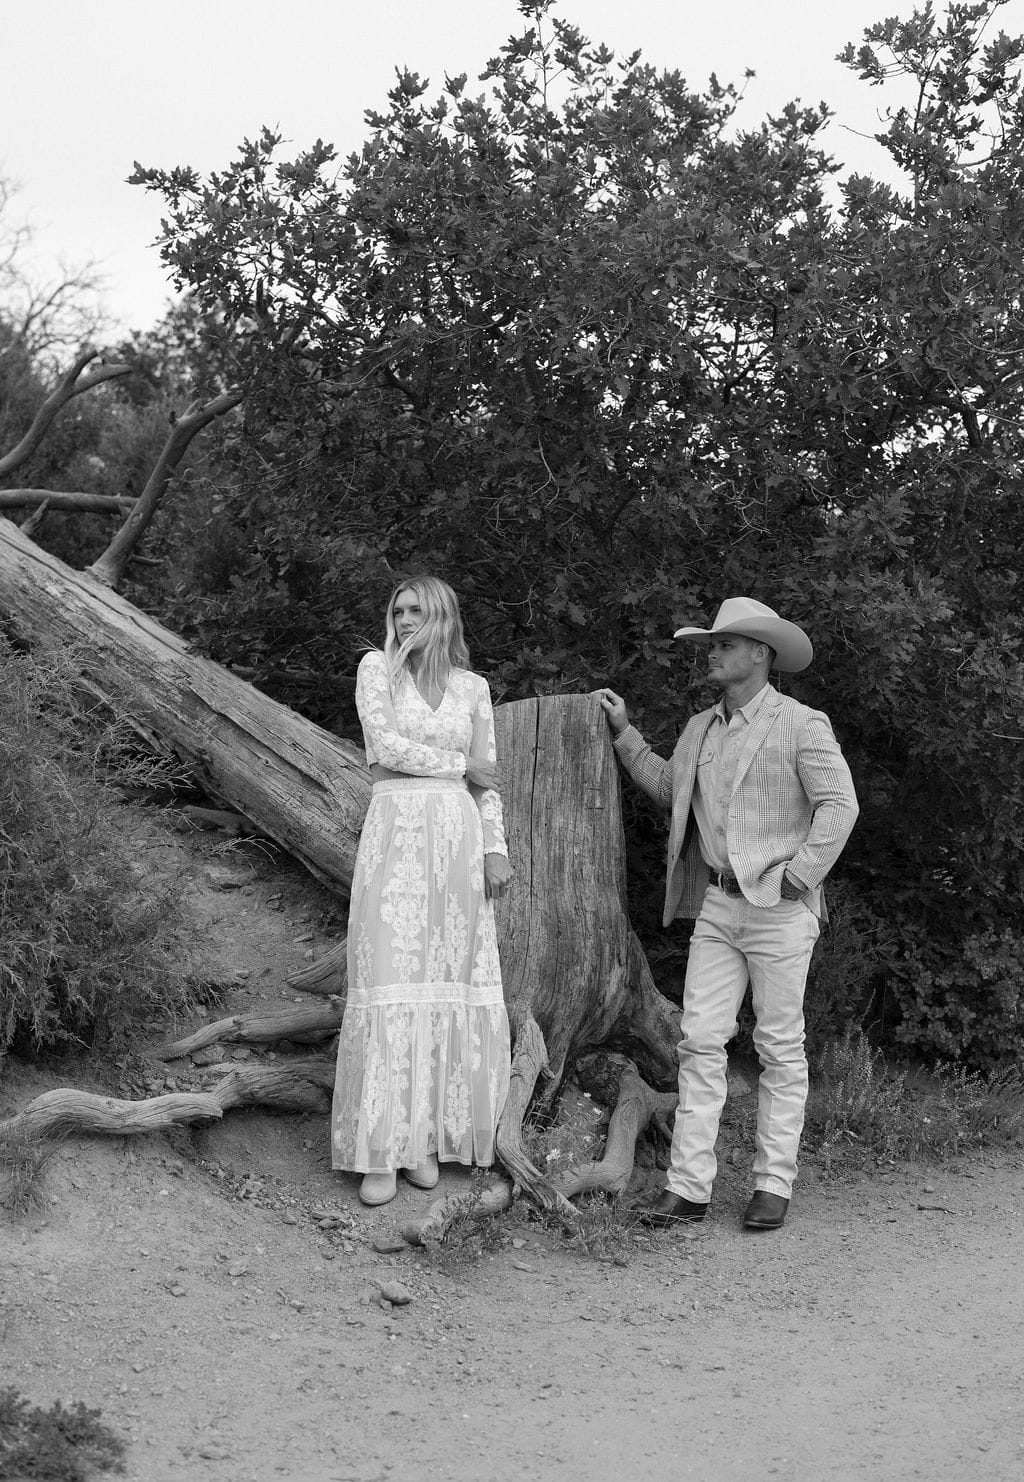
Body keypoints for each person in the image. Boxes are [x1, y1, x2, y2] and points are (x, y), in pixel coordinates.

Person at [598, 597, 858, 1231]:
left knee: (779, 1047)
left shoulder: (801, 723)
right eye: (711, 644)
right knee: (699, 1041)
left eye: (724, 644)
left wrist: (799, 878)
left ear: (760, 654)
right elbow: (669, 790)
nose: (711, 653)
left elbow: (840, 805)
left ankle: (773, 1182)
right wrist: (625, 733)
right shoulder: (700, 729)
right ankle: (689, 1188)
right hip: (716, 904)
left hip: (780, 908)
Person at [331, 575, 512, 1207]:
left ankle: (427, 1141)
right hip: (396, 837)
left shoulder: (474, 688)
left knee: (447, 982)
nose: (405, 620)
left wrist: (495, 849)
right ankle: (381, 1149)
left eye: (416, 610)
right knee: (389, 977)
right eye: (397, 611)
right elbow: (382, 748)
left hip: (457, 844)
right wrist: (459, 766)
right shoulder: (376, 669)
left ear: (442, 615)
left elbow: (490, 782)